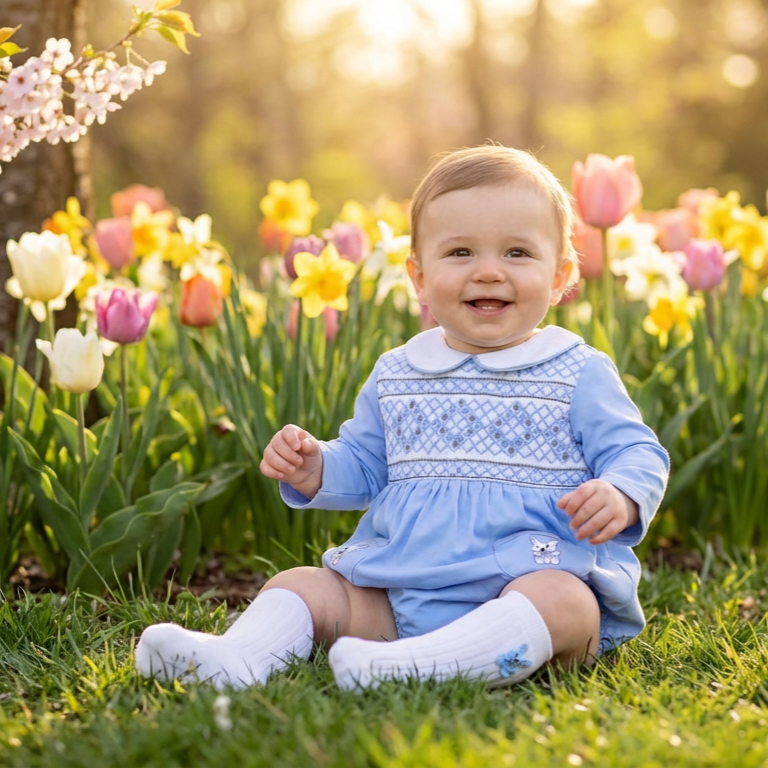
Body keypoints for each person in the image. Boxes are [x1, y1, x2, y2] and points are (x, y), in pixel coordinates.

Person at [135, 145, 669, 691]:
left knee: (566, 602)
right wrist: (315, 465)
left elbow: (637, 451)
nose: (488, 272)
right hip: (401, 592)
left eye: (516, 253)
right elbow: (366, 463)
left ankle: (421, 668)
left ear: (560, 277)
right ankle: (237, 657)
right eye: (460, 252)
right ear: (418, 276)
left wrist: (621, 492)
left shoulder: (575, 370)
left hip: (525, 583)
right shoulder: (400, 371)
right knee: (306, 585)